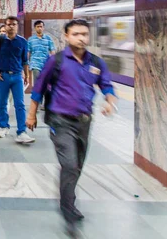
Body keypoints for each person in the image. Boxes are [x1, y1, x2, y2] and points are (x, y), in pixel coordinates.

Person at [27, 19, 117, 237]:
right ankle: (68, 211)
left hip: (84, 121)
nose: (82, 38)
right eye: (76, 34)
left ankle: (69, 200)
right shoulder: (56, 61)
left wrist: (109, 100)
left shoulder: (96, 62)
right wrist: (31, 115)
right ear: (66, 36)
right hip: (60, 120)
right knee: (69, 164)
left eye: (85, 34)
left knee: (77, 166)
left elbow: (106, 83)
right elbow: (38, 88)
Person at [0, 16, 34, 143]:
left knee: (20, 104)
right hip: (3, 76)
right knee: (2, 103)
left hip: (17, 76)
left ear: (17, 26)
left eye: (14, 24)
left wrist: (26, 75)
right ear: (5, 26)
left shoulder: (22, 42)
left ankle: (22, 132)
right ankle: (3, 127)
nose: (11, 26)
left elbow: (25, 60)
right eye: (9, 24)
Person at [28, 20, 56, 110]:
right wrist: (27, 63)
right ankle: (37, 104)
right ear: (35, 28)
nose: (39, 28)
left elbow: (52, 51)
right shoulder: (31, 39)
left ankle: (45, 103)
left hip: (46, 65)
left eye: (41, 26)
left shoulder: (48, 39)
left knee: (46, 85)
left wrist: (54, 62)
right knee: (37, 84)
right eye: (38, 26)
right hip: (35, 64)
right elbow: (28, 52)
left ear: (43, 28)